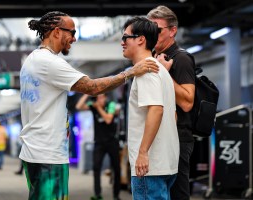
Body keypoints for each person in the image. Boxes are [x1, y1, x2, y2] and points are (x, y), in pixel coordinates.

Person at [19, 11, 159, 200]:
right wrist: (130, 72)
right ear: (57, 32)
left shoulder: (31, 60)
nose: (74, 39)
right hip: (47, 154)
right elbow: (92, 87)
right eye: (72, 33)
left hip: (35, 151)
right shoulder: (49, 62)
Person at [121, 16, 179, 200]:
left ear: (140, 39)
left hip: (149, 167)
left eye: (125, 37)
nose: (122, 43)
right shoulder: (161, 71)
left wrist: (143, 152)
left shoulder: (147, 71)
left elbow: (156, 109)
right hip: (163, 162)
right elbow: (173, 115)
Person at [147, 6, 196, 200]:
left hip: (178, 138)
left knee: (178, 195)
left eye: (157, 30)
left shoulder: (181, 59)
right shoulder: (153, 58)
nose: (152, 34)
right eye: (149, 30)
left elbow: (187, 102)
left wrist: (164, 72)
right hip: (161, 138)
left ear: (172, 31)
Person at [76, 94, 121, 200]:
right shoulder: (93, 105)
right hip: (99, 142)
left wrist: (98, 108)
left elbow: (108, 119)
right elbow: (79, 106)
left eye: (101, 97)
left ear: (105, 97)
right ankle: (97, 194)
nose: (99, 100)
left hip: (112, 141)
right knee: (96, 168)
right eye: (98, 98)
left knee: (116, 168)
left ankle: (116, 195)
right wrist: (87, 94)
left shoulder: (111, 105)